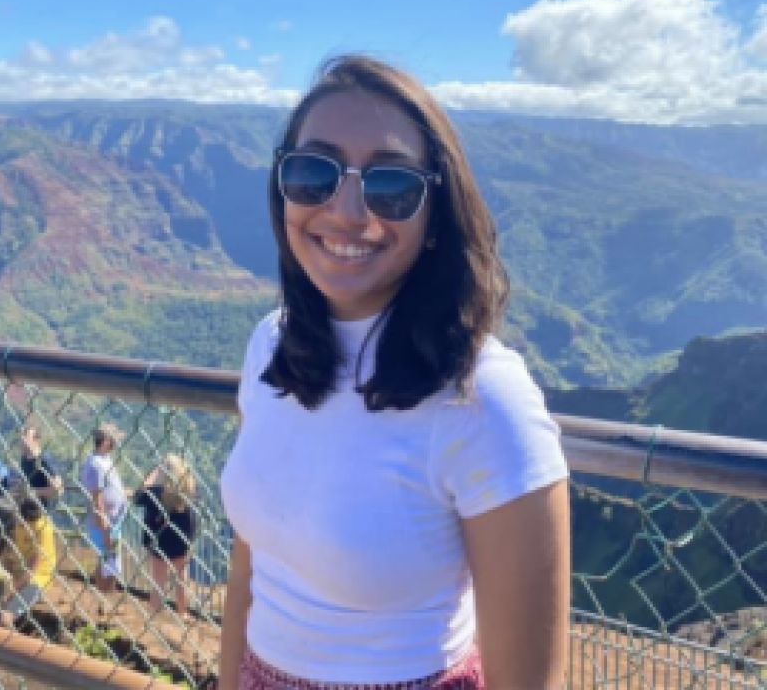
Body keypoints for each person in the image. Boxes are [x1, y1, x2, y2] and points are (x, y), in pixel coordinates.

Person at [219, 56, 572, 690]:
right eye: (312, 173)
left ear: (437, 214)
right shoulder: (271, 346)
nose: (348, 212)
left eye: (391, 186)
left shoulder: (485, 398)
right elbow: (253, 567)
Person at [133, 454, 198, 617]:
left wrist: (151, 476)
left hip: (159, 539)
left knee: (158, 578)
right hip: (181, 539)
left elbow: (137, 497)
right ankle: (183, 612)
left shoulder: (154, 492)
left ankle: (155, 614)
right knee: (182, 577)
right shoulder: (188, 491)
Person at [79, 422, 128, 598]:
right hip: (106, 522)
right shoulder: (95, 464)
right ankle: (105, 596)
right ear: (106, 440)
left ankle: (106, 596)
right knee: (108, 560)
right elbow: (97, 496)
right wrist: (104, 524)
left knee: (110, 560)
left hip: (113, 520)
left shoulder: (105, 460)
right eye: (114, 439)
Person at [0, 495, 57, 628]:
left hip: (37, 578)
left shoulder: (43, 529)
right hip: (15, 574)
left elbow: (31, 571)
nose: (28, 522)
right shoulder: (18, 523)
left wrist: (10, 593)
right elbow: (6, 556)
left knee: (4, 616)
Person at [19, 422, 63, 511]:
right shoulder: (24, 459)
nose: (22, 440)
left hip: (42, 511)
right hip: (26, 510)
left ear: (36, 440)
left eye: (26, 437)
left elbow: (58, 489)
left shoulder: (45, 461)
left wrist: (34, 492)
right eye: (21, 437)